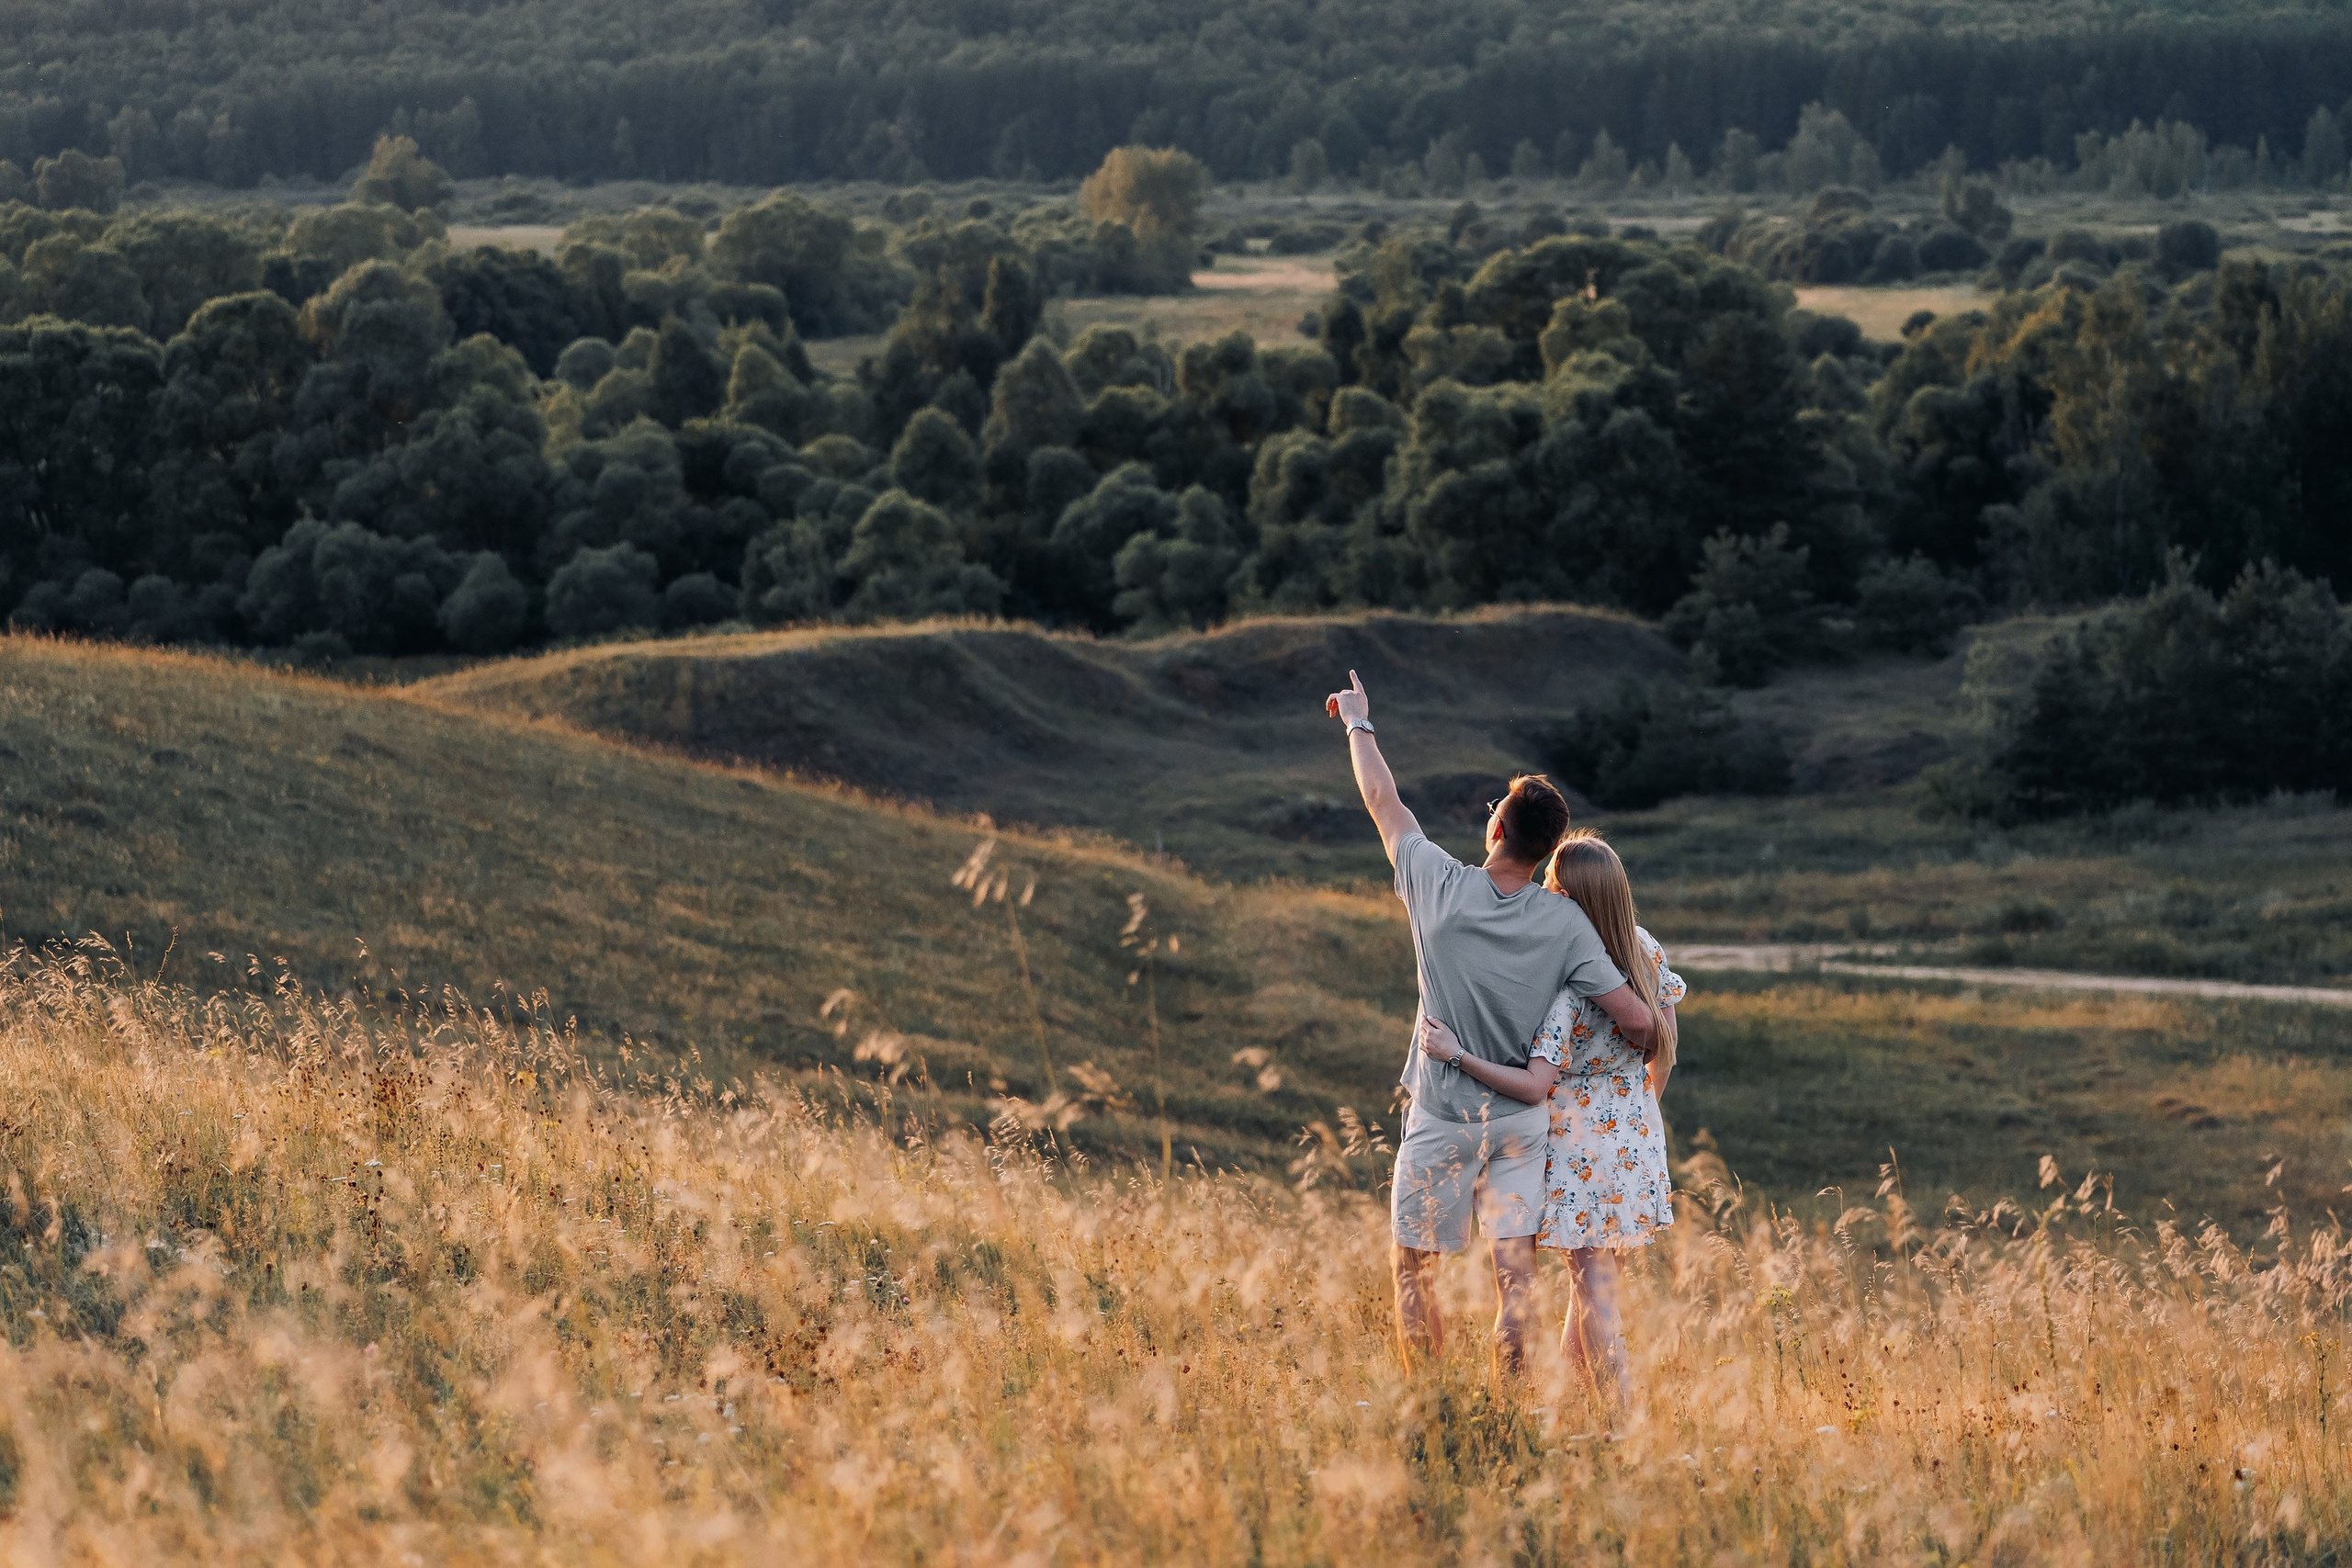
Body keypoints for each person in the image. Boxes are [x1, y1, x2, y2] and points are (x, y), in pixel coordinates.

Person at [1325, 670, 1657, 1372]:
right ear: (1547, 849)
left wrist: (1359, 720)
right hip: (1520, 1128)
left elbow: (1382, 799)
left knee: (1413, 1269)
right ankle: (1511, 1412)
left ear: (1496, 827)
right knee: (1518, 1286)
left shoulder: (1437, 883)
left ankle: (1434, 1403)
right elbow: (1638, 1022)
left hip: (1443, 1116)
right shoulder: (1568, 923)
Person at [1419, 829, 1683, 1407]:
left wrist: (1457, 1055)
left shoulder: (1566, 980)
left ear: (1570, 900)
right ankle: (1574, 1408)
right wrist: (1641, 1112)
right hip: (1635, 1133)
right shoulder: (1646, 950)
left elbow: (1538, 1084)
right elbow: (1665, 1043)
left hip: (1576, 1142)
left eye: (1551, 889)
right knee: (1590, 1280)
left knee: (1593, 1289)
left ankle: (1620, 1418)